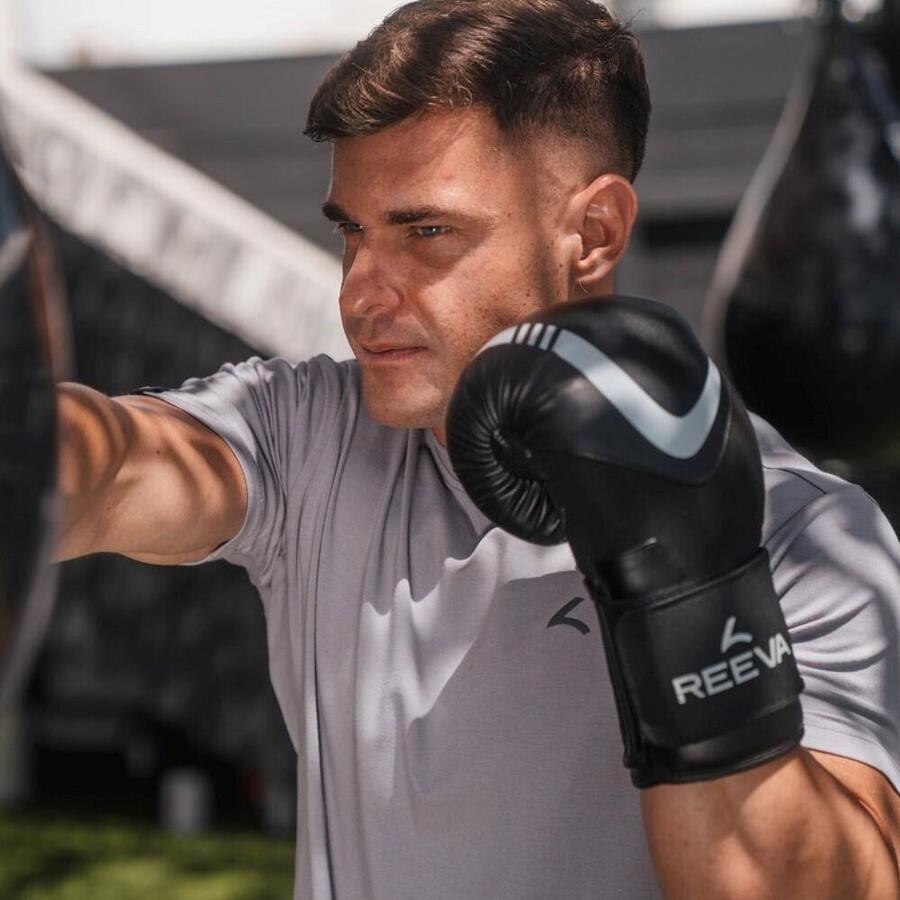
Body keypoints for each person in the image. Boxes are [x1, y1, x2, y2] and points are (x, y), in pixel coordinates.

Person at [54, 1, 899, 897]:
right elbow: (106, 467)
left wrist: (694, 596)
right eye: (351, 231)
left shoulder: (810, 539)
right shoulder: (314, 440)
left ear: (594, 233)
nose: (360, 293)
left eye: (426, 232)